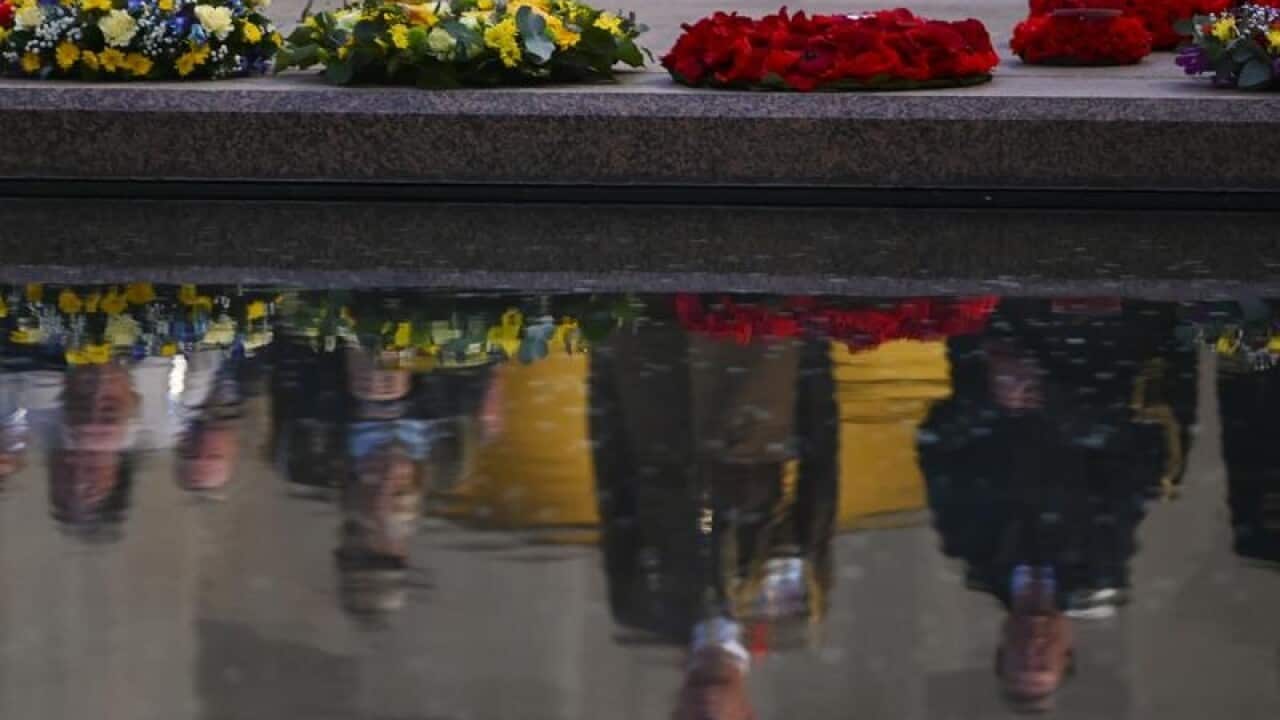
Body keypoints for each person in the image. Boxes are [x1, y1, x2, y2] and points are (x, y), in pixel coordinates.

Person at [919, 297, 1197, 711]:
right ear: (1067, 650)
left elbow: (936, 440)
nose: (1034, 649)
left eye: (1021, 662)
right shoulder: (1103, 553)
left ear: (1001, 648)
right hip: (1101, 338)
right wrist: (1050, 397)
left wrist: (992, 395)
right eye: (1042, 663)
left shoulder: (968, 544)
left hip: (1004, 326)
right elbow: (1135, 447)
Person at [588, 295, 839, 720]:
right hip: (756, 356)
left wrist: (605, 353)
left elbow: (613, 479)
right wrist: (811, 341)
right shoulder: (794, 615)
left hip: (652, 364)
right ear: (748, 716)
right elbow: (821, 473)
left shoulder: (640, 607)